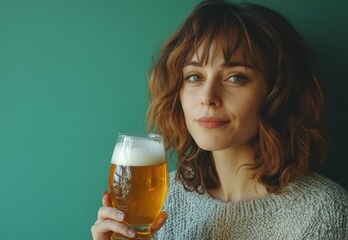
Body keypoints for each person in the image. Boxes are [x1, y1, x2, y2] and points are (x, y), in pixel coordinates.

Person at [92, 0, 348, 239]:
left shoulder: (322, 213)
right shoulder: (157, 200)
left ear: (276, 92)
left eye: (235, 77)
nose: (208, 97)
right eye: (194, 76)